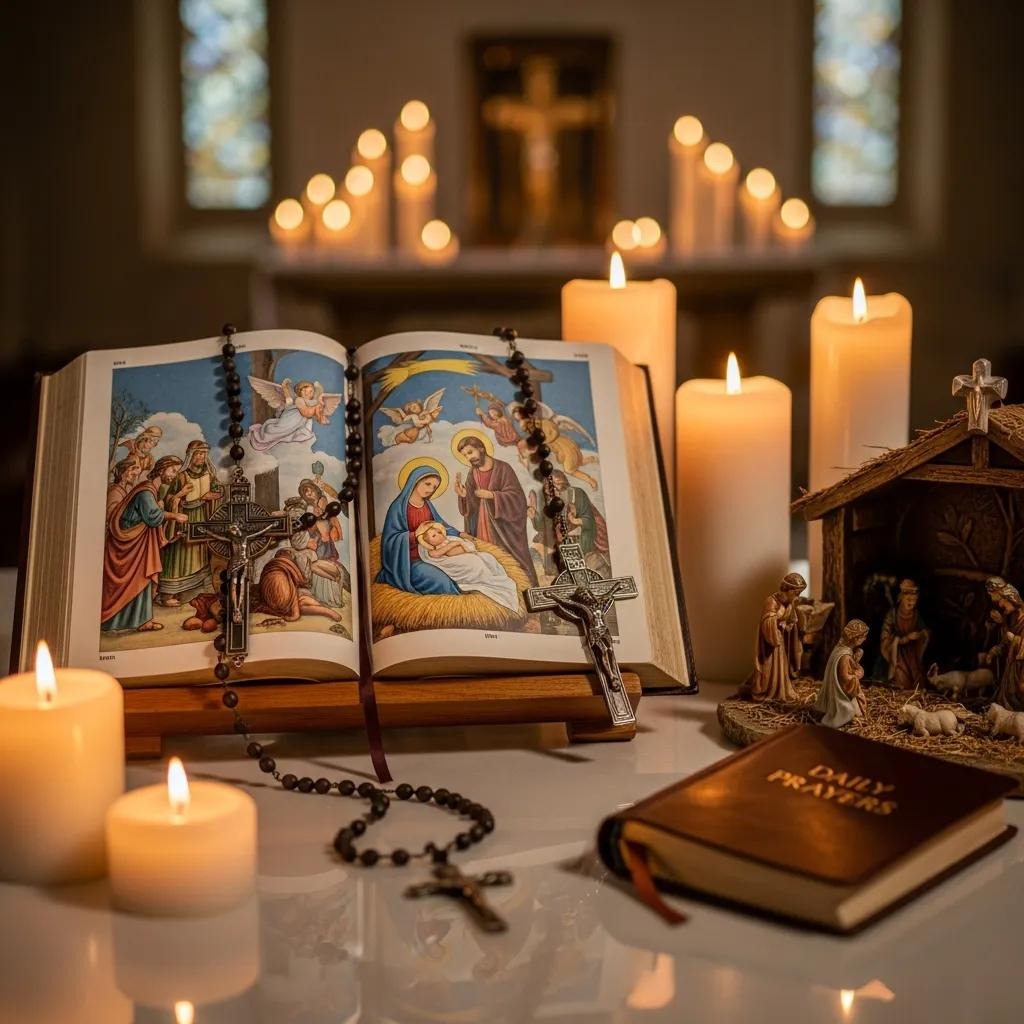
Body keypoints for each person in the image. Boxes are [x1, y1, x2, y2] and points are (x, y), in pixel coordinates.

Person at [101, 456, 188, 633]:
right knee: (137, 580)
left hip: (136, 543)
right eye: (173, 470)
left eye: (177, 471)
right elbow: (153, 516)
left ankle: (143, 621)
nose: (174, 475)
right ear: (162, 469)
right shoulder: (146, 492)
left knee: (141, 580)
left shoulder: (150, 490)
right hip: (128, 544)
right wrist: (174, 515)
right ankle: (117, 621)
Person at [454, 436, 538, 586]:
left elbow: (517, 498)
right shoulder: (472, 473)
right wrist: (464, 495)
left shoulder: (503, 468)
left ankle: (522, 588)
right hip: (482, 525)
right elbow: (471, 505)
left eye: (470, 452)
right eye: (465, 455)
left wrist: (492, 495)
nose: (469, 457)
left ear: (481, 448)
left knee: (510, 563)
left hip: (503, 528)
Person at [377, 465, 462, 596]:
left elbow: (440, 526)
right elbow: (390, 541)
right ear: (414, 481)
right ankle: (457, 606)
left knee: (461, 569)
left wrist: (460, 534)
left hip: (432, 554)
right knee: (442, 581)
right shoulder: (398, 507)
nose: (430, 489)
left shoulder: (428, 505)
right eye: (427, 484)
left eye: (434, 487)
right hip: (409, 561)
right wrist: (414, 535)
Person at [157, 439, 221, 606]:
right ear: (191, 455)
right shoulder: (181, 476)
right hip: (183, 517)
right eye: (198, 453)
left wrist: (213, 496)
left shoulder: (210, 474)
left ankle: (200, 587)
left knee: (199, 553)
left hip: (201, 515)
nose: (201, 456)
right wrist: (180, 494)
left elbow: (217, 491)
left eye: (204, 453)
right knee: (179, 553)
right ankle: (168, 593)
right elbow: (168, 499)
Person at [415, 520, 520, 612]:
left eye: (438, 532)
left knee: (487, 557)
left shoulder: (449, 539)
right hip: (456, 561)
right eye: (434, 536)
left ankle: (495, 577)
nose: (439, 535)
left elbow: (465, 544)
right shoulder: (434, 550)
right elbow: (436, 554)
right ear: (427, 542)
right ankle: (486, 579)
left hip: (465, 554)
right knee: (474, 561)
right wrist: (452, 545)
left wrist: (462, 545)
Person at [749, 572, 806, 703]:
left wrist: (790, 625)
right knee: (769, 667)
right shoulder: (771, 601)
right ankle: (767, 691)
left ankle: (781, 691)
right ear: (789, 590)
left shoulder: (790, 604)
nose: (798, 596)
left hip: (780, 640)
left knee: (781, 666)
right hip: (770, 642)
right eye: (796, 593)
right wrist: (778, 620)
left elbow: (792, 621)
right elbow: (766, 622)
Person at [872, 579, 929, 689]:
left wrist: (923, 634)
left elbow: (924, 631)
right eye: (908, 599)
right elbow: (885, 635)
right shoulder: (892, 615)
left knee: (917, 679)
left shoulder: (916, 615)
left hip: (912, 654)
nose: (911, 603)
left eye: (914, 600)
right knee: (900, 680)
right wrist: (903, 639)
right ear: (901, 598)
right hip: (896, 654)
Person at [255, 549, 341, 622]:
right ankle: (327, 611)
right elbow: (294, 587)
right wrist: (295, 613)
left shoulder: (271, 565)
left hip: (272, 601)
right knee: (303, 604)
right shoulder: (286, 566)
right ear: (286, 555)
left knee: (307, 601)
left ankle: (326, 611)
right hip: (284, 598)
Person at [815, 620, 870, 728]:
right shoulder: (845, 656)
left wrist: (855, 660)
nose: (865, 639)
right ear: (855, 638)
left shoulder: (841, 649)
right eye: (863, 636)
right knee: (854, 710)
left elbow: (846, 668)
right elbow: (845, 678)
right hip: (841, 695)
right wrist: (857, 675)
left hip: (840, 689)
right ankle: (846, 715)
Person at [983, 582, 1024, 711]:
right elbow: (1006, 642)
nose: (1000, 605)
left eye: (1001, 601)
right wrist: (996, 650)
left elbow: (1012, 639)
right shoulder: (1011, 618)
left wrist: (1015, 640)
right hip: (1011, 669)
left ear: (1010, 598)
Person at [106, 456, 141, 523]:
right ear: (122, 473)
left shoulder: (125, 489)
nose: (134, 475)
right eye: (130, 471)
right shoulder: (115, 492)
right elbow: (110, 515)